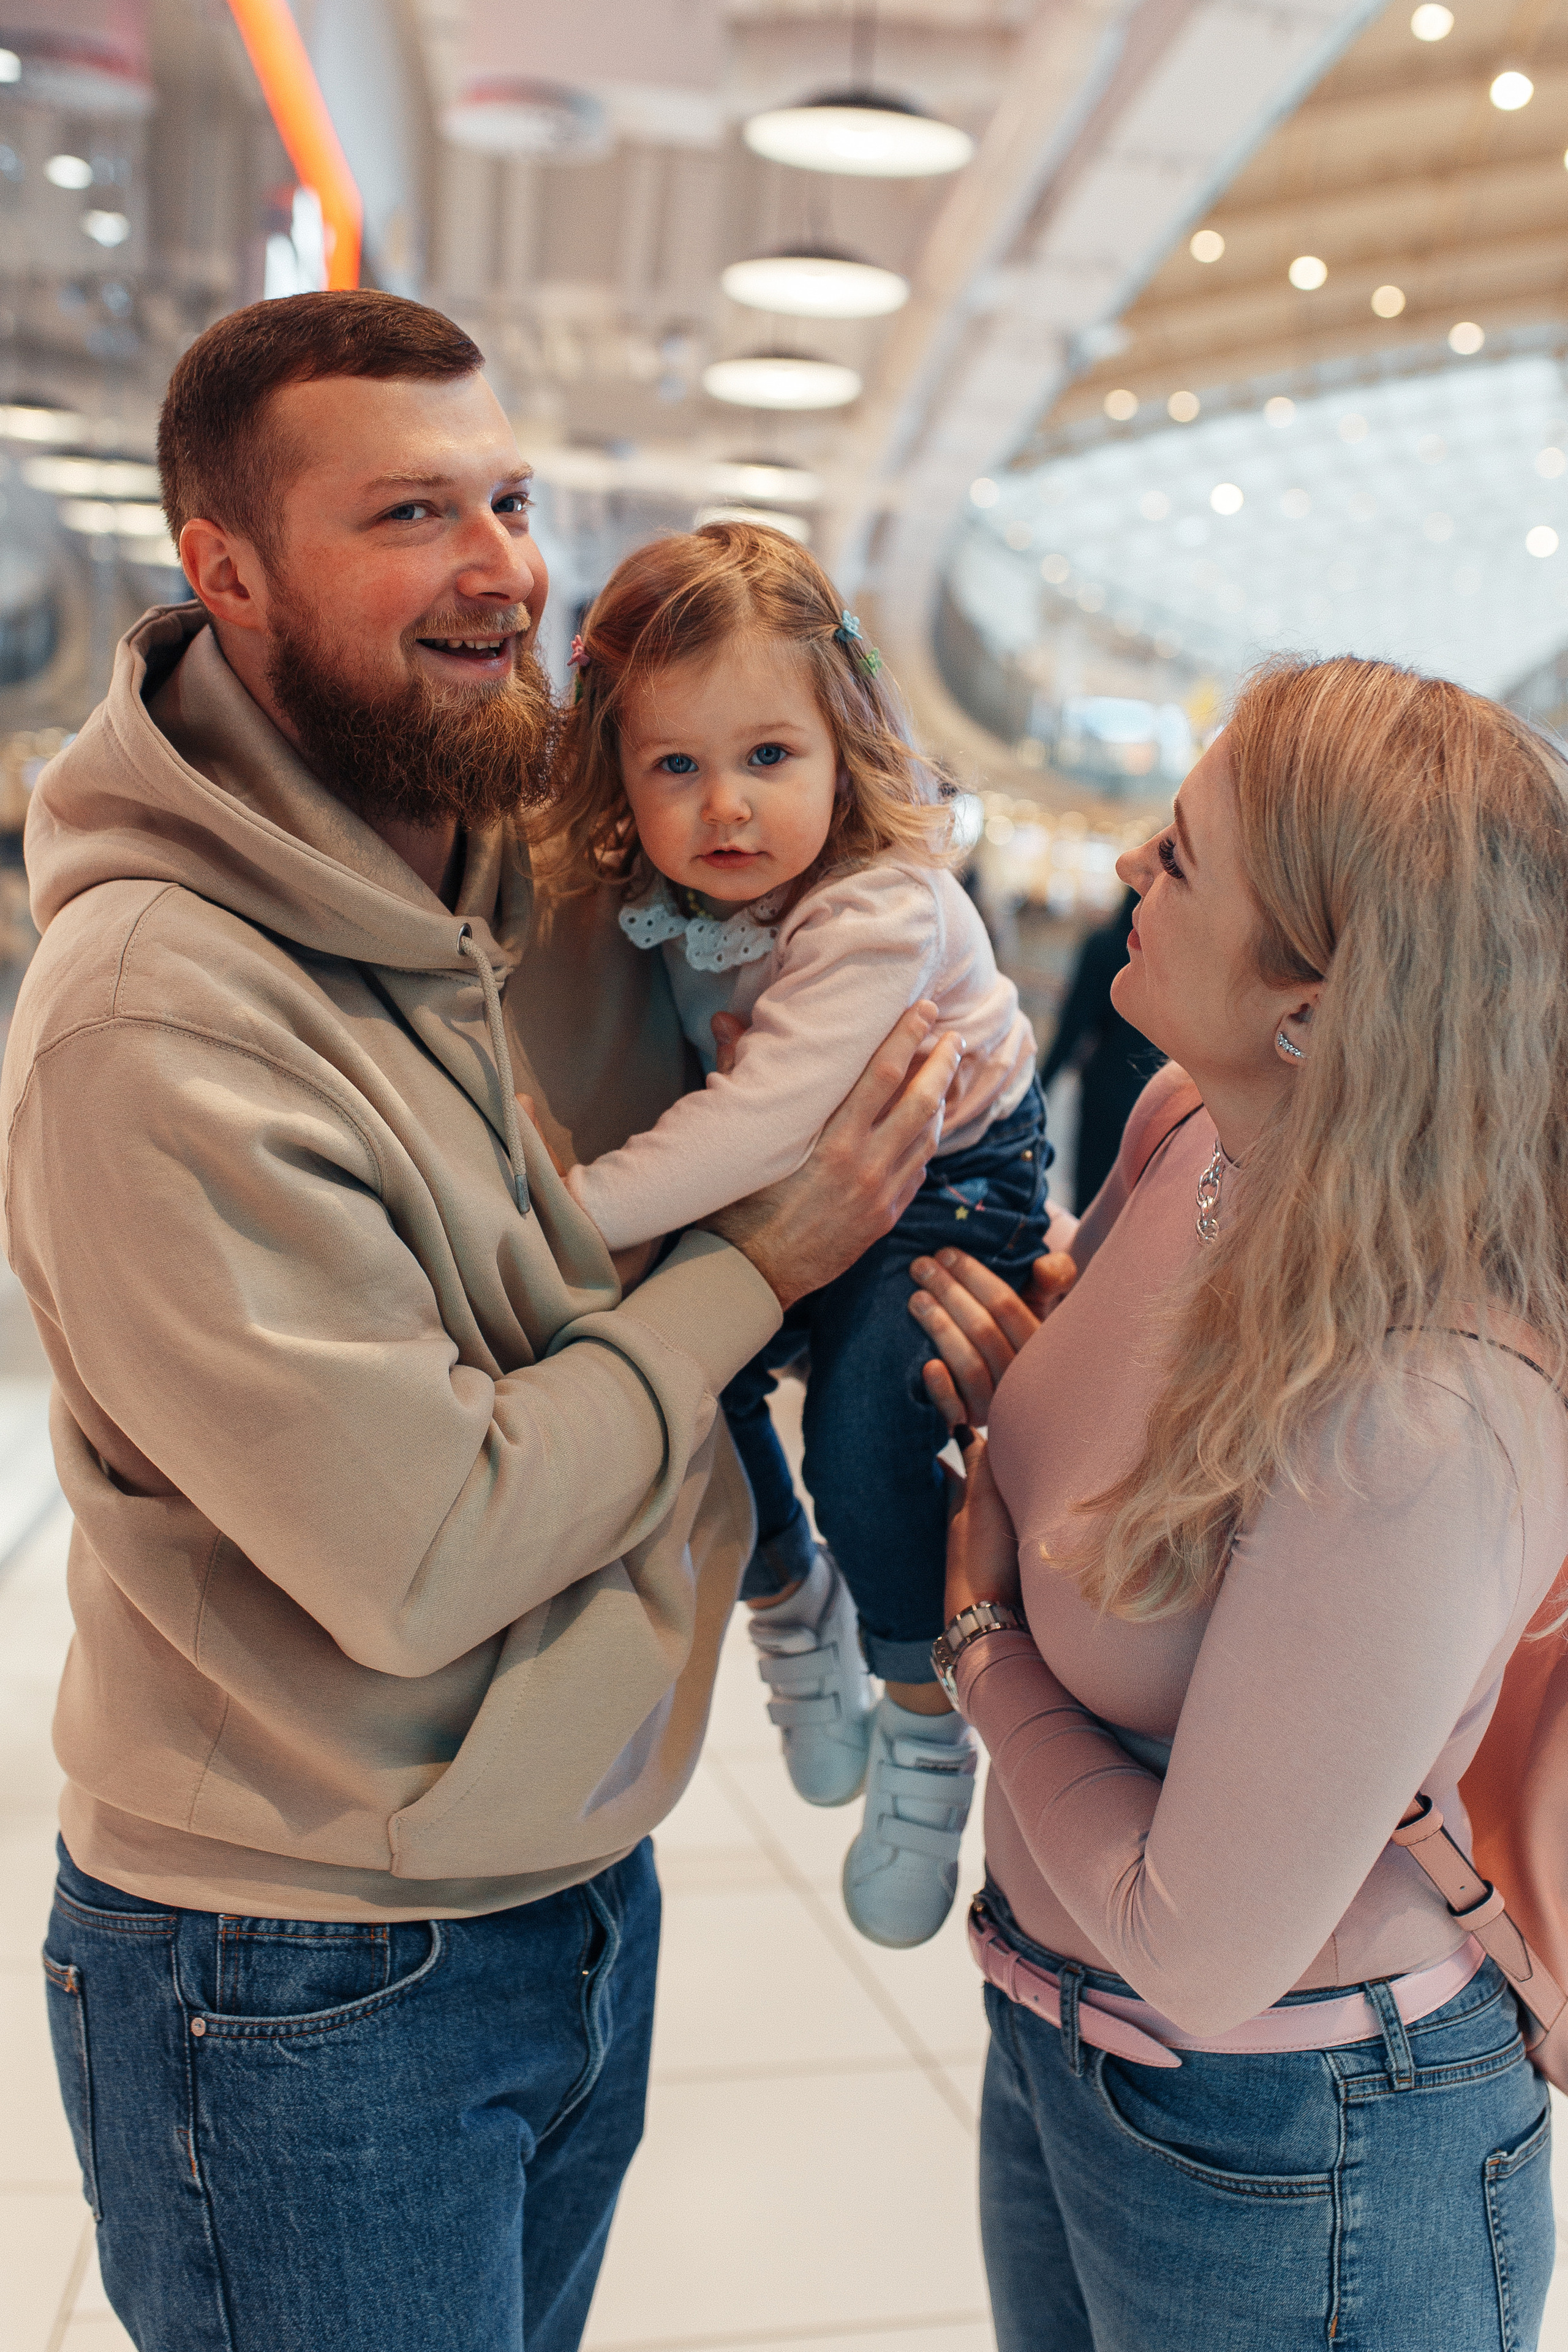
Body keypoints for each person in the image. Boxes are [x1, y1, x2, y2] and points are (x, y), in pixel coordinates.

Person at [1, 290, 962, 2352]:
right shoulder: (159, 1021)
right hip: (306, 1977)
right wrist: (764, 1264)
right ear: (227, 574)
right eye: (413, 511)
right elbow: (426, 1545)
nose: (501, 565)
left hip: (563, 1887)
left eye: (511, 500)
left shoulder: (498, 859)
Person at [907, 657, 1568, 2350]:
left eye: (1184, 859)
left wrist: (980, 1634)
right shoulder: (1190, 1129)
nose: (1129, 868)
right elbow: (1127, 1454)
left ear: (1320, 1006)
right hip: (1052, 2045)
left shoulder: (1423, 1409)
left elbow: (1198, 1951)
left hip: (1305, 2148)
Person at [534, 523, 1047, 1949]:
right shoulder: (683, 909)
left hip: (949, 1178)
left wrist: (568, 1213)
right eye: (673, 766)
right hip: (810, 1171)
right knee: (676, 1371)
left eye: (768, 756)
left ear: (846, 746)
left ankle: (921, 1714)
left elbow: (759, 1127)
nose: (725, 809)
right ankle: (784, 1600)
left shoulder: (878, 906)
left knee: (867, 1430)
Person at [1038, 883, 1162, 1208]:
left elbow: (1073, 1026)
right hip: (1157, 1092)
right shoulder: (1172, 961)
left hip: (1105, 1087)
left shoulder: (1104, 946)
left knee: (1091, 1200)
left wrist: (1041, 1089)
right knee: (1135, 1202)